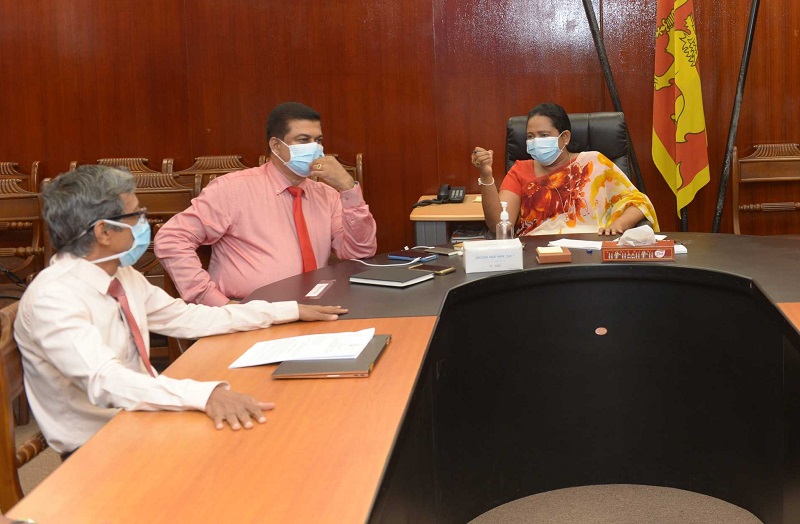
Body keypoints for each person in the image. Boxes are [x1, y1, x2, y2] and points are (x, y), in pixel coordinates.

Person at [14, 165, 348, 457]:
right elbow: (106, 381)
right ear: (103, 231)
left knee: (276, 422)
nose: (145, 223)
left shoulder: (121, 275)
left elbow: (187, 317)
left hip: (143, 416)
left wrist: (285, 311)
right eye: (135, 216)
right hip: (98, 447)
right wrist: (204, 395)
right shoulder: (54, 298)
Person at [154, 102, 378, 306]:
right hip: (250, 312)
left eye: (318, 140)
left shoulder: (326, 195)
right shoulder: (233, 189)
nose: (315, 149)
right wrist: (214, 301)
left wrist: (348, 188)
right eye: (303, 140)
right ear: (276, 146)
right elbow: (171, 239)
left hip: (315, 307)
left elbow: (360, 252)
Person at [472, 102, 658, 236]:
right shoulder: (519, 170)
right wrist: (486, 175)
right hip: (535, 256)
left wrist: (619, 224)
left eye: (544, 135)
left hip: (590, 251)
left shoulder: (593, 162)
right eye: (530, 136)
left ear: (565, 137)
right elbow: (497, 224)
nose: (536, 141)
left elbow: (639, 203)